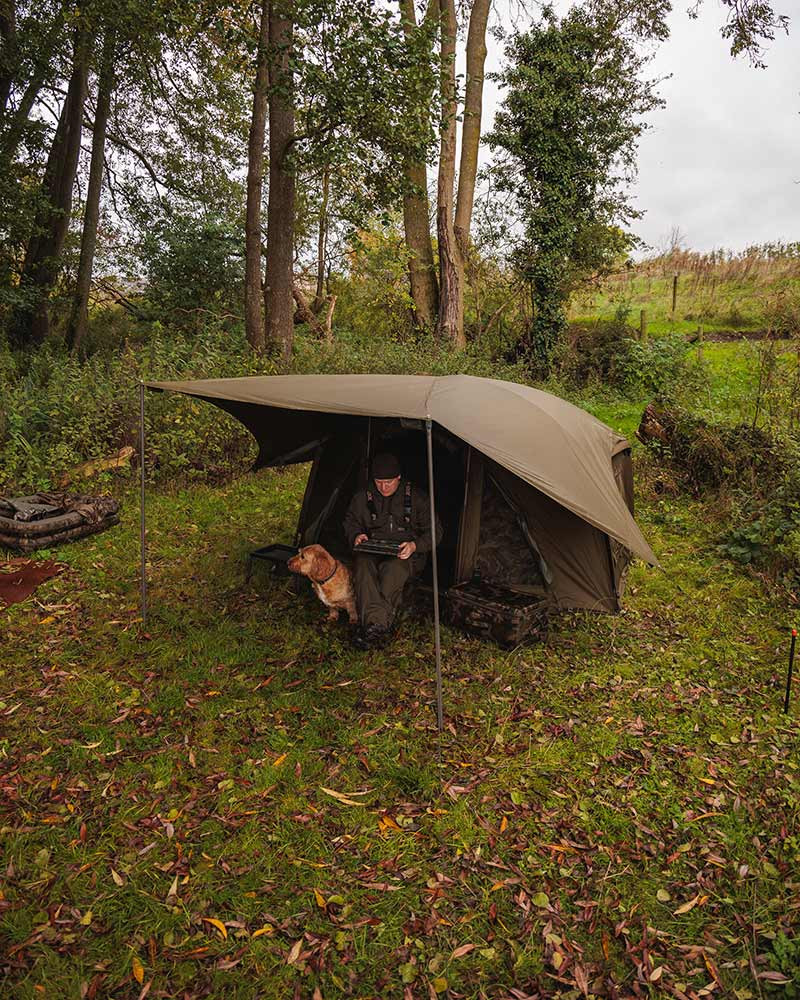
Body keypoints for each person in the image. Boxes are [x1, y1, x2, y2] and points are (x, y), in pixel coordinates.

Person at [344, 451, 442, 649]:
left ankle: (372, 626)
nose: (383, 487)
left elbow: (436, 532)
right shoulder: (362, 496)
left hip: (405, 554)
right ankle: (378, 627)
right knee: (363, 567)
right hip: (373, 549)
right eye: (379, 482)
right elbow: (350, 522)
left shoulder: (417, 498)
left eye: (388, 482)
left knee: (392, 570)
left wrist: (415, 546)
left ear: (398, 477)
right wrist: (356, 535)